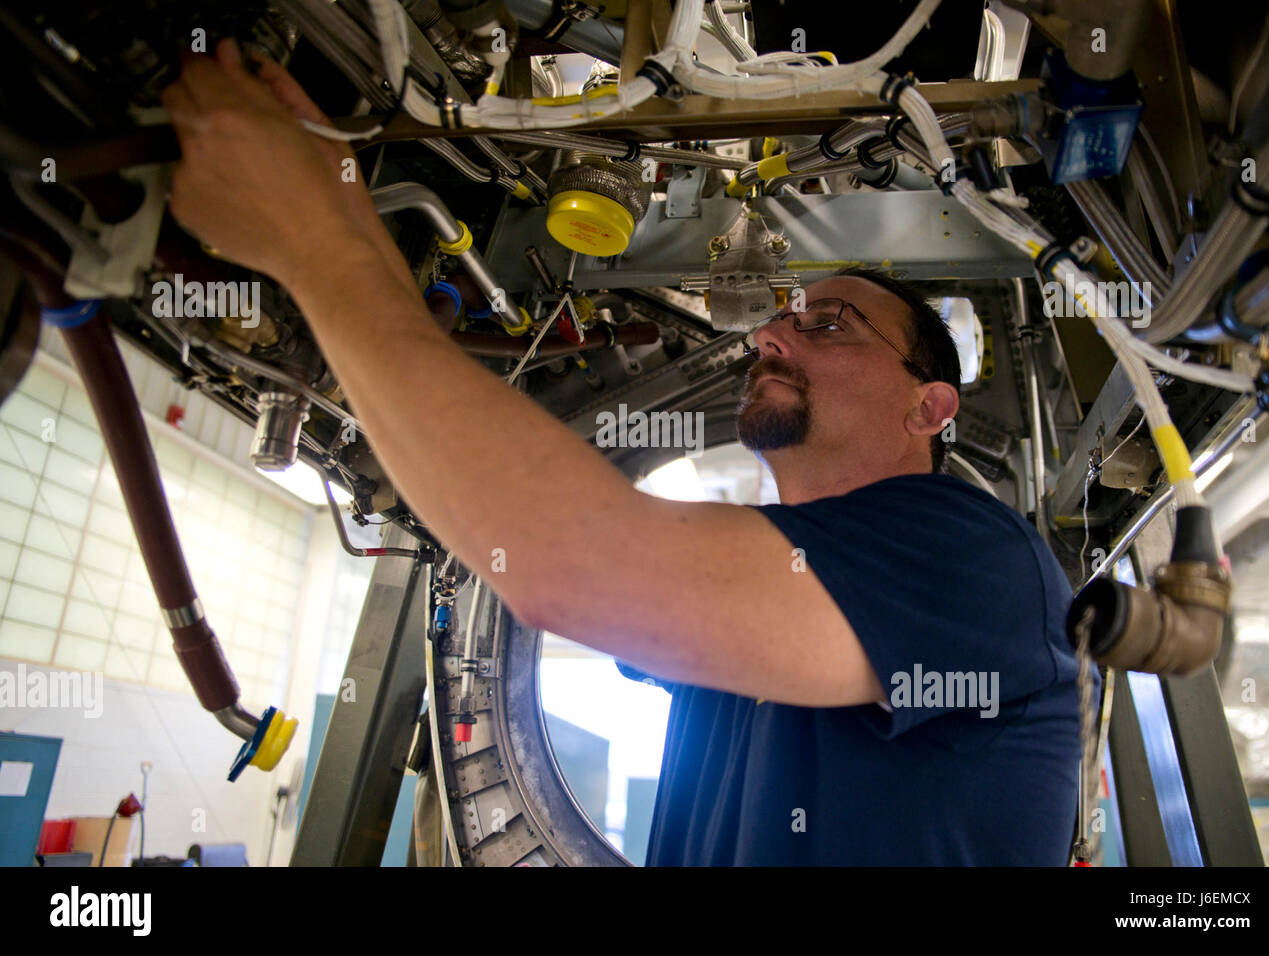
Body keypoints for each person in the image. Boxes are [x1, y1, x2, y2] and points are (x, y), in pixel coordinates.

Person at [162, 40, 1083, 866]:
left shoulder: (972, 557)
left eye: (829, 326)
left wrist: (314, 243)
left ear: (930, 404)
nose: (772, 339)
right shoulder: (764, 585)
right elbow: (583, 558)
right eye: (780, 322)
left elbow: (573, 562)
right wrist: (341, 197)